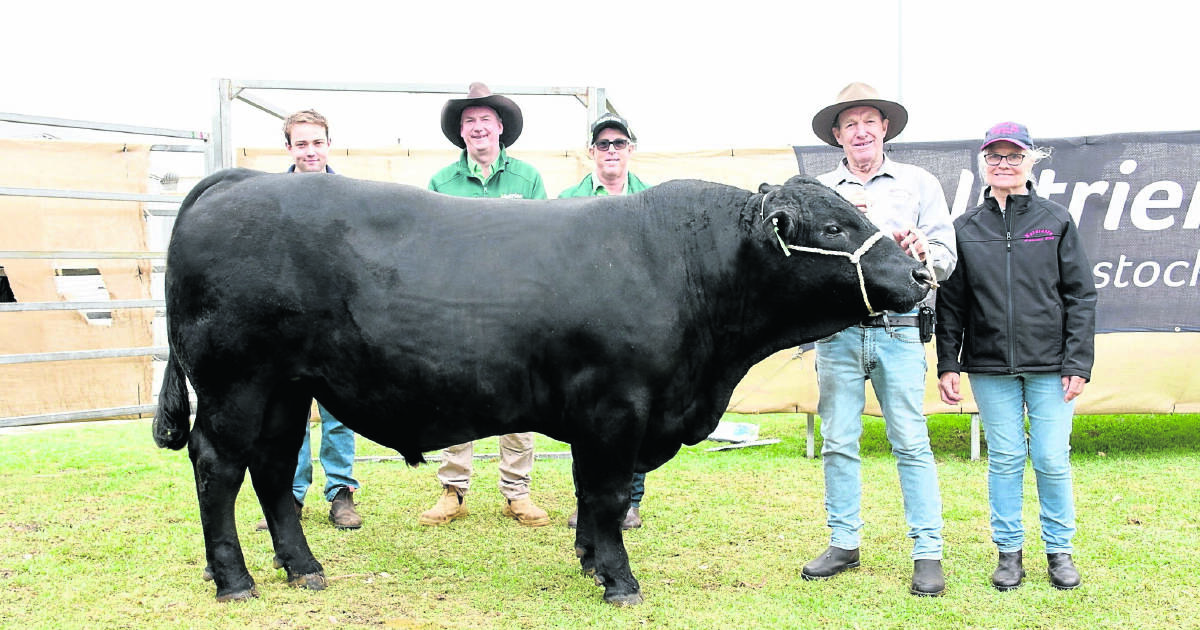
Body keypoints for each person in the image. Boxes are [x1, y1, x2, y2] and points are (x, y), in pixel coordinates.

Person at [803, 82, 957, 596]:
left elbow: (945, 254)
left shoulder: (918, 183)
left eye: (870, 120)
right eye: (850, 124)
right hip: (838, 334)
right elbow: (802, 266)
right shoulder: (821, 190)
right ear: (837, 135)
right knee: (838, 442)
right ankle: (844, 542)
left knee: (911, 443)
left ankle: (927, 552)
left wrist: (921, 257)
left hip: (900, 330)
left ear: (885, 128)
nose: (861, 131)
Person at [936, 122, 1096, 592]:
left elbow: (1080, 296)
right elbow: (951, 303)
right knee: (1005, 459)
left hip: (1052, 366)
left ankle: (1059, 553)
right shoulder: (964, 227)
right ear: (983, 164)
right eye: (994, 157)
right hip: (988, 367)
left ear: (1030, 161)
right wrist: (949, 362)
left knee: (1050, 458)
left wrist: (1077, 363)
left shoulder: (1055, 219)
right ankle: (1009, 555)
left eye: (1013, 156)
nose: (1003, 165)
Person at [419, 83, 550, 527]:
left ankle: (518, 493)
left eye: (485, 120)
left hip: (516, 309)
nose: (478, 127)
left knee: (521, 400)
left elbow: (542, 244)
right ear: (461, 132)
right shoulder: (440, 181)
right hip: (459, 306)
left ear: (500, 128)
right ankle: (453, 491)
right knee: (457, 396)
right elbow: (433, 246)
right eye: (469, 121)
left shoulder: (528, 178)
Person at [255, 109, 363, 531]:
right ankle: (291, 495)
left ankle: (341, 493)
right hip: (289, 325)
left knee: (340, 413)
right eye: (301, 143)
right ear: (288, 148)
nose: (310, 150)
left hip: (337, 325)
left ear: (329, 144)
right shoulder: (273, 198)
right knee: (289, 415)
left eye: (317, 142)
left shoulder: (348, 195)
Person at [559, 113, 651, 530]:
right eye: (603, 144)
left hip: (639, 328)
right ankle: (587, 499)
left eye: (618, 143)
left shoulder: (653, 202)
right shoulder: (568, 201)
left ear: (631, 149)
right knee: (585, 417)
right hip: (587, 327)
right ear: (591, 152)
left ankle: (630, 499)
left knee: (635, 413)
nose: (611, 150)